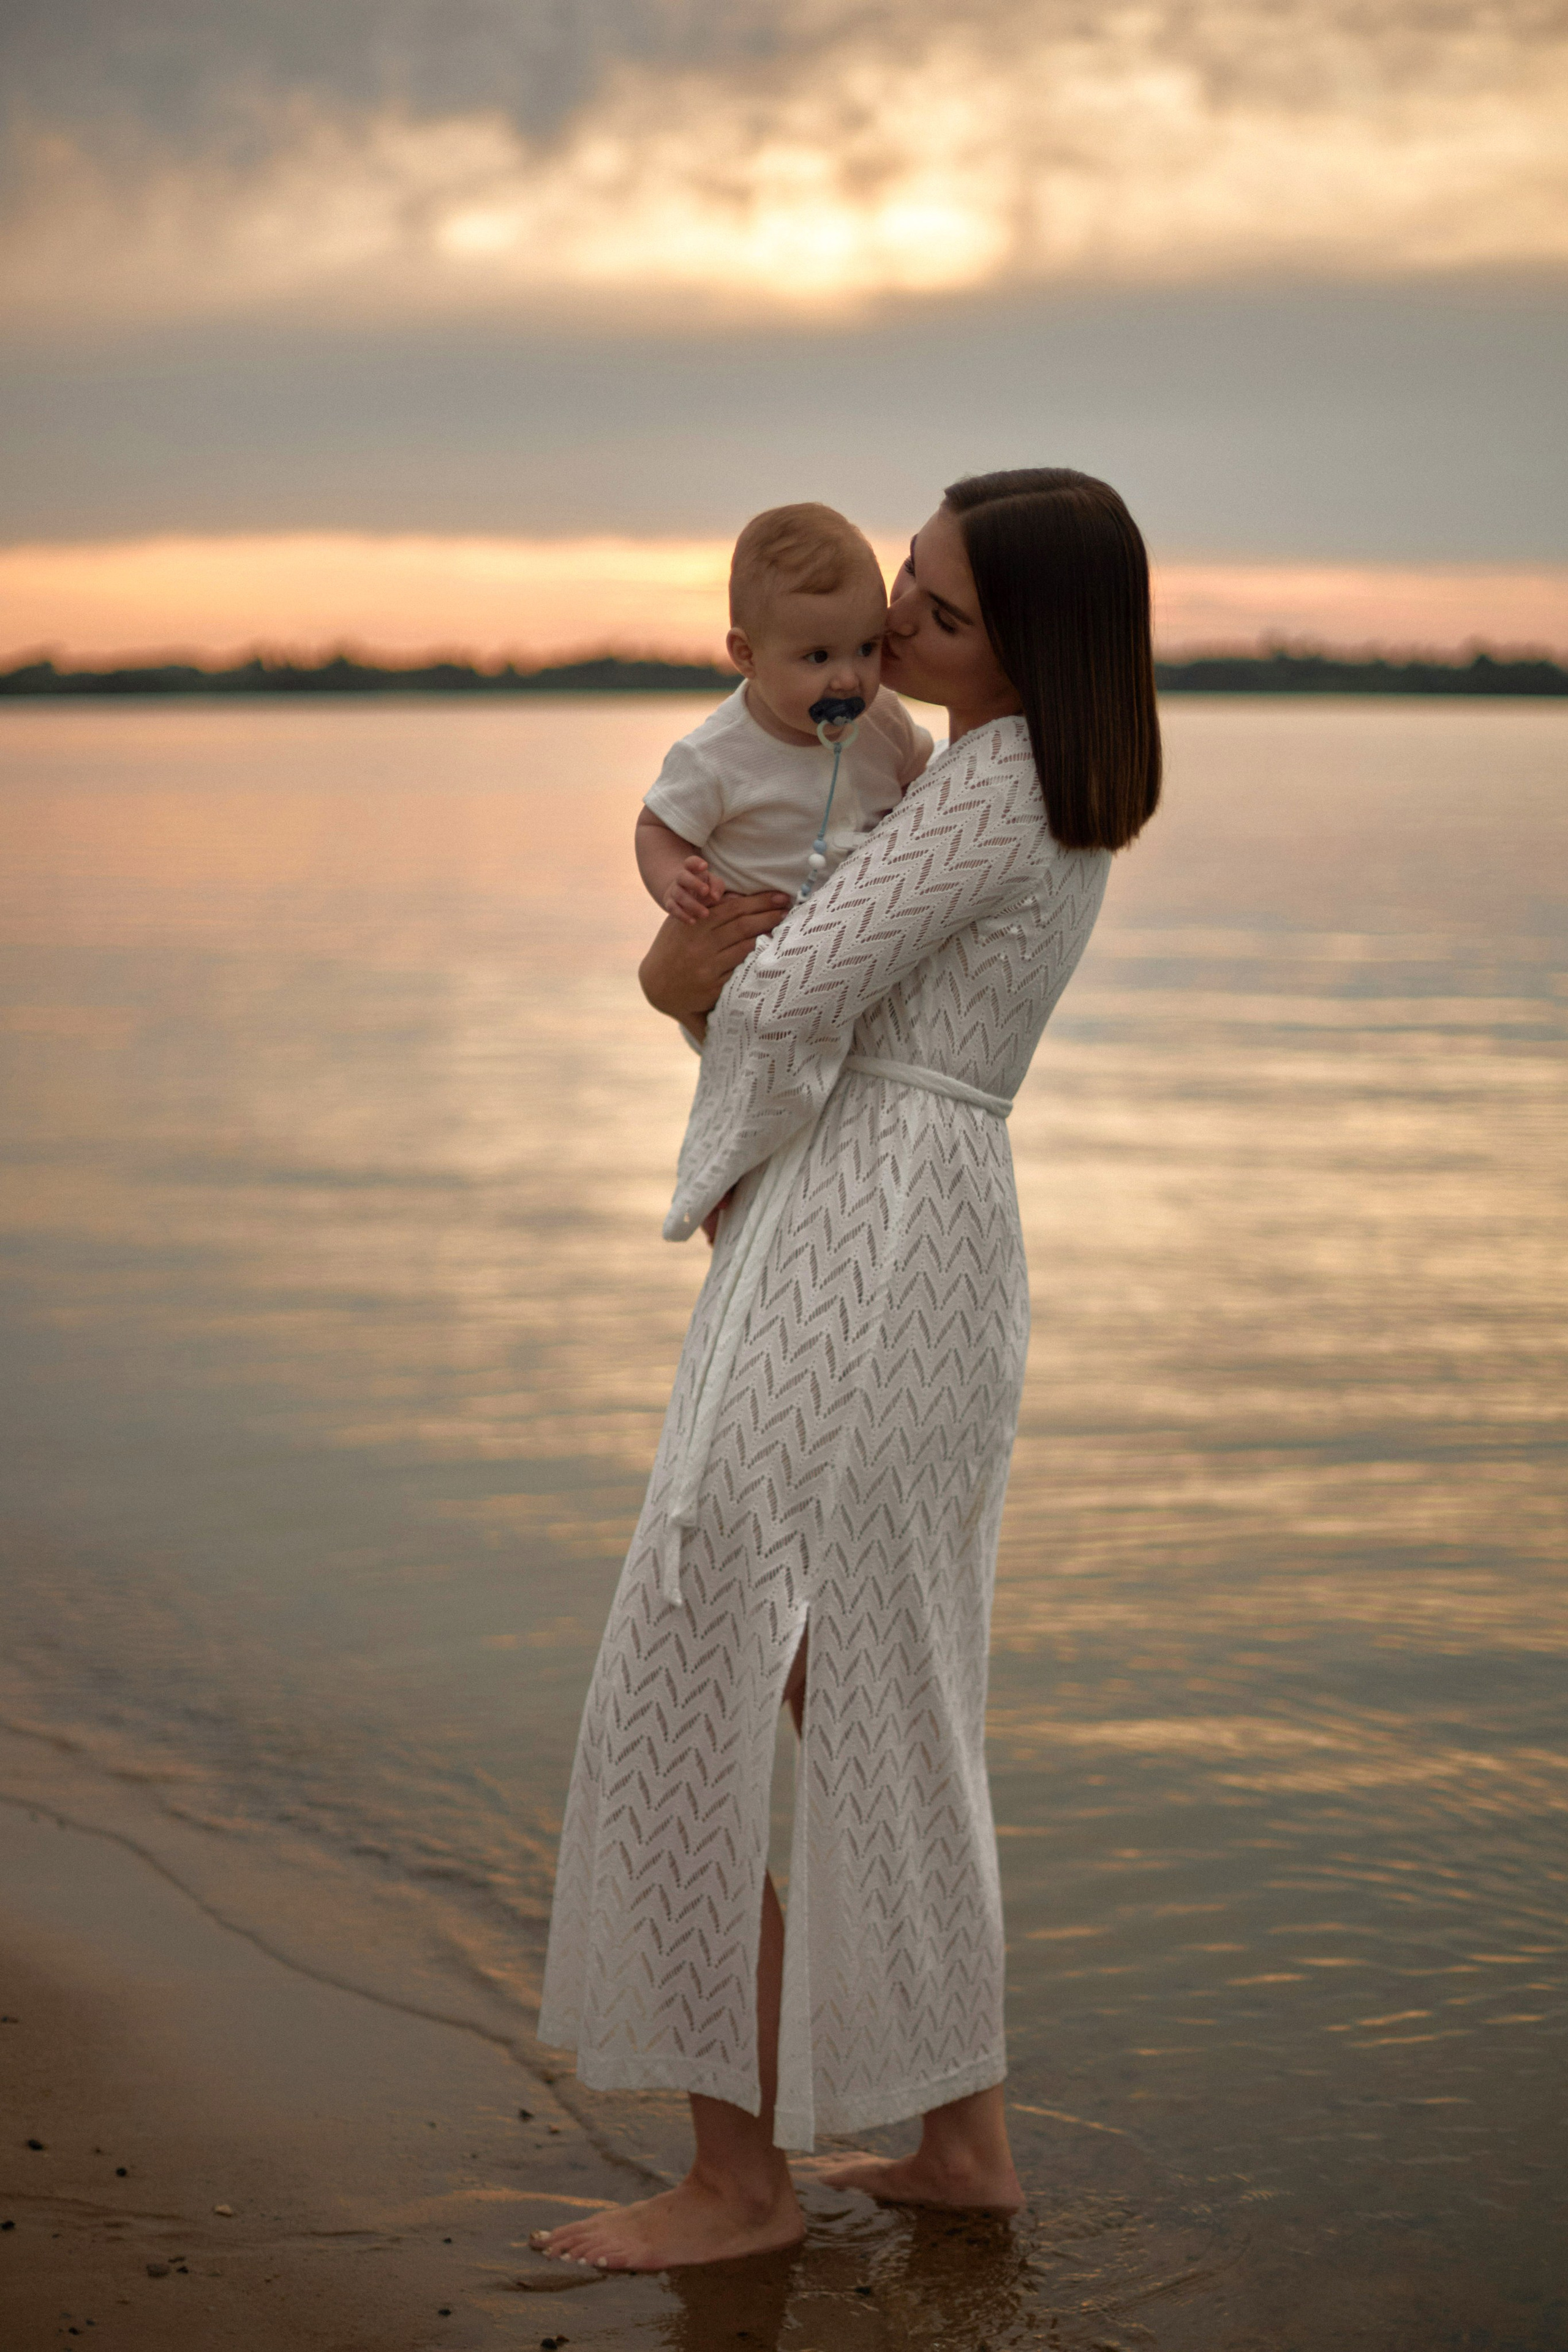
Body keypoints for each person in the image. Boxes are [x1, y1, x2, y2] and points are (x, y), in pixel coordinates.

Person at [534, 467, 1162, 2274]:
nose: (894, 625)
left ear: (1029, 649)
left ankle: (738, 2182)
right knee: (870, 1682)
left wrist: (688, 971)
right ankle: (959, 2137)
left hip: (863, 1241)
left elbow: (792, 997)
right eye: (905, 580)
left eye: (939, 614)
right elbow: (808, 984)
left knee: (704, 1648)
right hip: (927, 1225)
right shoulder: (1018, 777)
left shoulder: (988, 777)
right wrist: (727, 975)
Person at [636, 502, 932, 924]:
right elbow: (657, 828)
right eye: (819, 656)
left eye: (867, 648)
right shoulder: (715, 755)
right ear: (747, 655)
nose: (849, 679)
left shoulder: (884, 719)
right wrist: (673, 881)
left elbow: (925, 782)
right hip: (762, 951)